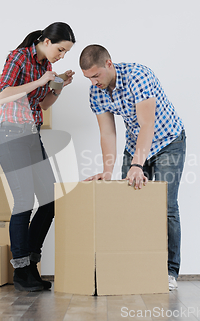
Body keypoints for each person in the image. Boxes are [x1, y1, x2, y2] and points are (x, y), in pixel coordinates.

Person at [79, 44, 185, 291]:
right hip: (135, 143)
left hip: (168, 140)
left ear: (109, 64)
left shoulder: (138, 76)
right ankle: (137, 266)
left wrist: (137, 164)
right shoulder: (97, 92)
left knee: (166, 206)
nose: (94, 82)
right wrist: (107, 171)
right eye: (88, 78)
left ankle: (169, 271)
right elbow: (107, 133)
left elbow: (147, 124)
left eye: (96, 75)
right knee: (130, 205)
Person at [0, 22, 75, 291]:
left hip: (31, 136)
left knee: (50, 200)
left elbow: (41, 105)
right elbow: (1, 95)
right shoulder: (18, 57)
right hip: (9, 135)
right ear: (47, 41)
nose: (61, 56)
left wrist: (57, 87)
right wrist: (41, 81)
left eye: (65, 53)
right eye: (61, 50)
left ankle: (30, 265)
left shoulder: (44, 68)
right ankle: (21, 272)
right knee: (24, 201)